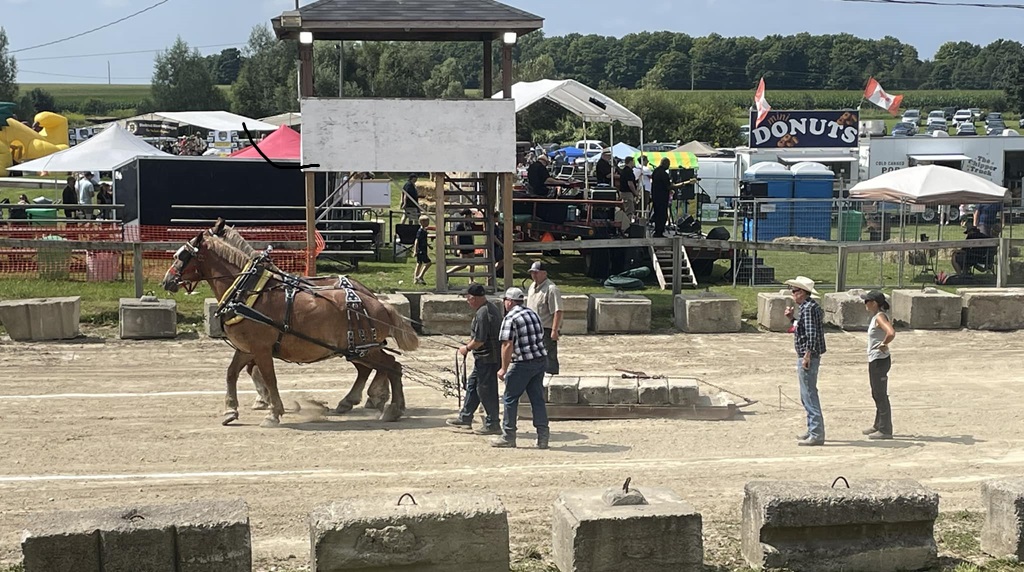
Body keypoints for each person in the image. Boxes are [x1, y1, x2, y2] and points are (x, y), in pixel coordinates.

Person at [493, 287, 550, 449]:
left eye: (505, 300)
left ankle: (508, 436)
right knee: (537, 399)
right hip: (540, 360)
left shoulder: (510, 318)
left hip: (523, 363)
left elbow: (506, 344)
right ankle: (543, 436)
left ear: (509, 301)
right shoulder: (533, 314)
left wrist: (503, 368)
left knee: (510, 398)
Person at [447, 283, 503, 435]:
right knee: (472, 386)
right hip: (486, 358)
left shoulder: (482, 314)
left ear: (474, 298)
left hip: (487, 359)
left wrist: (466, 348)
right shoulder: (491, 308)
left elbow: (479, 340)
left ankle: (493, 424)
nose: (467, 301)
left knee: (486, 390)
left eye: (468, 298)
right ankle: (465, 417)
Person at [783, 276, 827, 446]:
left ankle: (816, 433)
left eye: (794, 291)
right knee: (807, 394)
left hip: (807, 355)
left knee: (808, 394)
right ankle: (812, 429)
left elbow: (811, 334)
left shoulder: (807, 309)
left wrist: (807, 355)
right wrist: (791, 318)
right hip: (809, 354)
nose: (792, 294)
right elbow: (803, 328)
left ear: (802, 292)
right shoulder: (810, 307)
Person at [861, 290, 895, 440]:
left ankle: (885, 429)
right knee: (876, 393)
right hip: (876, 360)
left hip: (879, 360)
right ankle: (878, 424)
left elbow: (891, 333)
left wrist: (884, 343)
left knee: (880, 394)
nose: (865, 304)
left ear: (874, 303)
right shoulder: (876, 317)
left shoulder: (880, 317)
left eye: (866, 301)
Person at [526, 261, 563, 375]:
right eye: (532, 273)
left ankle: (552, 376)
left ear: (544, 273)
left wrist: (554, 330)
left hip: (546, 329)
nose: (534, 275)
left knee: (548, 356)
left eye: (536, 273)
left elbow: (558, 311)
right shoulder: (532, 287)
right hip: (532, 329)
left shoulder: (551, 289)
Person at [650, 157, 686, 238]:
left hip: (655, 196)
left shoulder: (655, 171)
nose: (669, 166)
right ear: (665, 164)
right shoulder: (663, 173)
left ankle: (657, 231)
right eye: (668, 164)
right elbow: (668, 186)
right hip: (662, 197)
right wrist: (680, 185)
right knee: (663, 215)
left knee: (658, 214)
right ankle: (659, 232)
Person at [412, 215, 431, 285]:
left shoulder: (424, 230)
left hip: (423, 248)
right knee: (428, 263)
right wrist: (415, 250)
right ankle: (420, 276)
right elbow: (417, 241)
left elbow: (423, 240)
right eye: (427, 221)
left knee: (419, 264)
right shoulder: (420, 231)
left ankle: (415, 279)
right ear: (422, 222)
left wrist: (428, 245)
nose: (428, 223)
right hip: (421, 250)